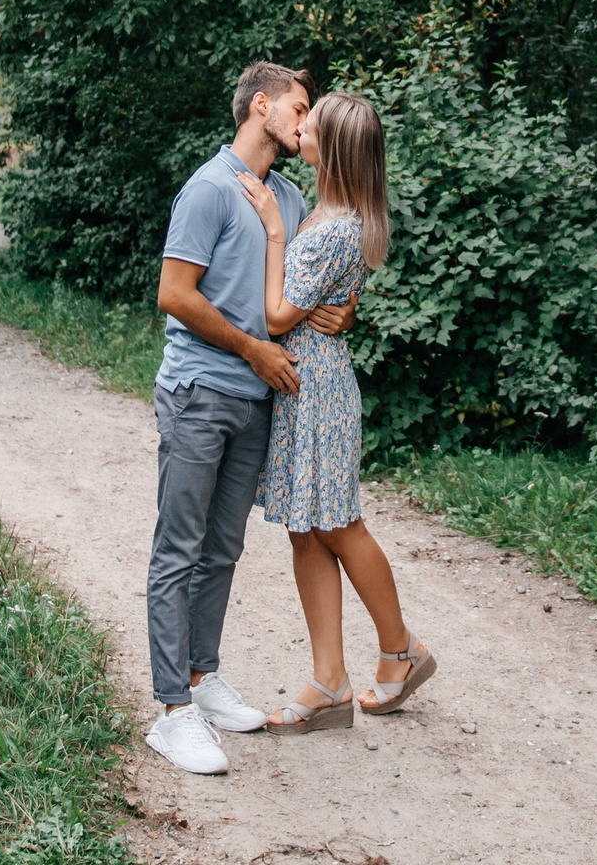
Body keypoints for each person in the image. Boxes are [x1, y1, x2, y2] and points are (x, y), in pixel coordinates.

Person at [142, 61, 360, 776]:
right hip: (200, 391)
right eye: (299, 107)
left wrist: (343, 309)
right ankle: (171, 711)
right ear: (260, 105)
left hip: (260, 400)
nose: (306, 120)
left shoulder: (290, 199)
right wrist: (253, 349)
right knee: (179, 549)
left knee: (223, 550)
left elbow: (308, 284)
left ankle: (201, 677)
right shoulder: (209, 188)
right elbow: (175, 294)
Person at [235, 89, 435, 734]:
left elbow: (277, 316)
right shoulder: (324, 210)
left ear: (336, 148)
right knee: (306, 527)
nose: (301, 127)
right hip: (303, 385)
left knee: (339, 523)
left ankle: (401, 650)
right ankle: (330, 681)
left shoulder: (335, 227)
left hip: (318, 391)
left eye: (312, 124)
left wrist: (274, 232)